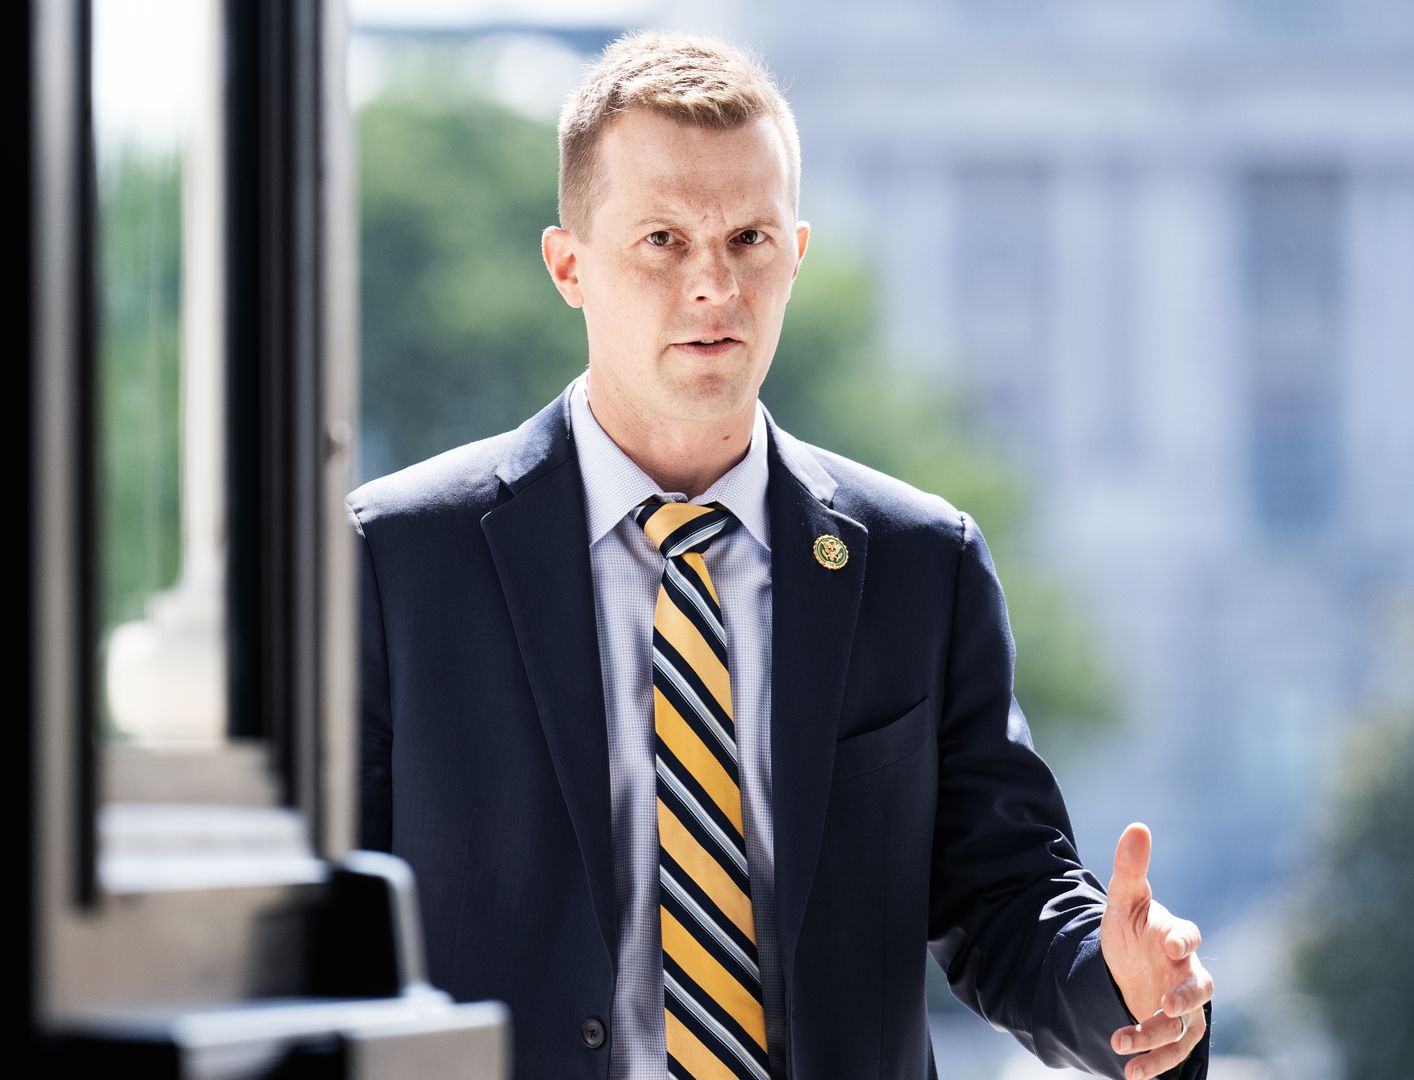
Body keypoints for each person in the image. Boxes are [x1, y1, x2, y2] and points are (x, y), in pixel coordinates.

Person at [349, 30, 1213, 1080]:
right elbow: (324, 925)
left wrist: (1116, 983)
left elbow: (1003, 893)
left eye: (749, 239)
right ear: (569, 266)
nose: (714, 285)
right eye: (663, 240)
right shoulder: (396, 564)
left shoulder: (918, 563)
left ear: (796, 254)